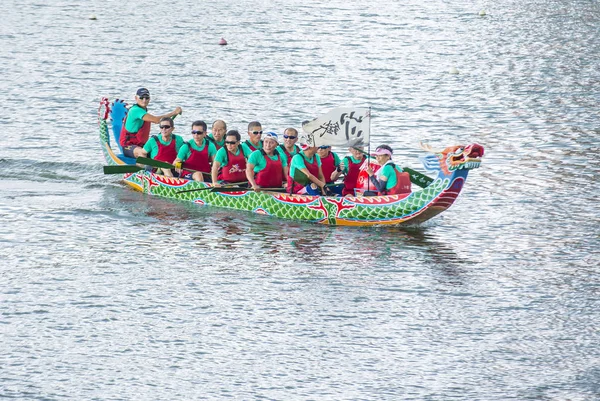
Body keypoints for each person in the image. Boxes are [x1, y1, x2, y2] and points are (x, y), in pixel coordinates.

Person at [119, 88, 182, 158]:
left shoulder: (143, 110)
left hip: (142, 145)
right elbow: (156, 120)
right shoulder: (135, 110)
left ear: (149, 99)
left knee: (160, 151)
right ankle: (142, 168)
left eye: (146, 98)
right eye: (141, 98)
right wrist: (174, 112)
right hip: (128, 146)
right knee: (142, 153)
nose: (144, 100)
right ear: (136, 98)